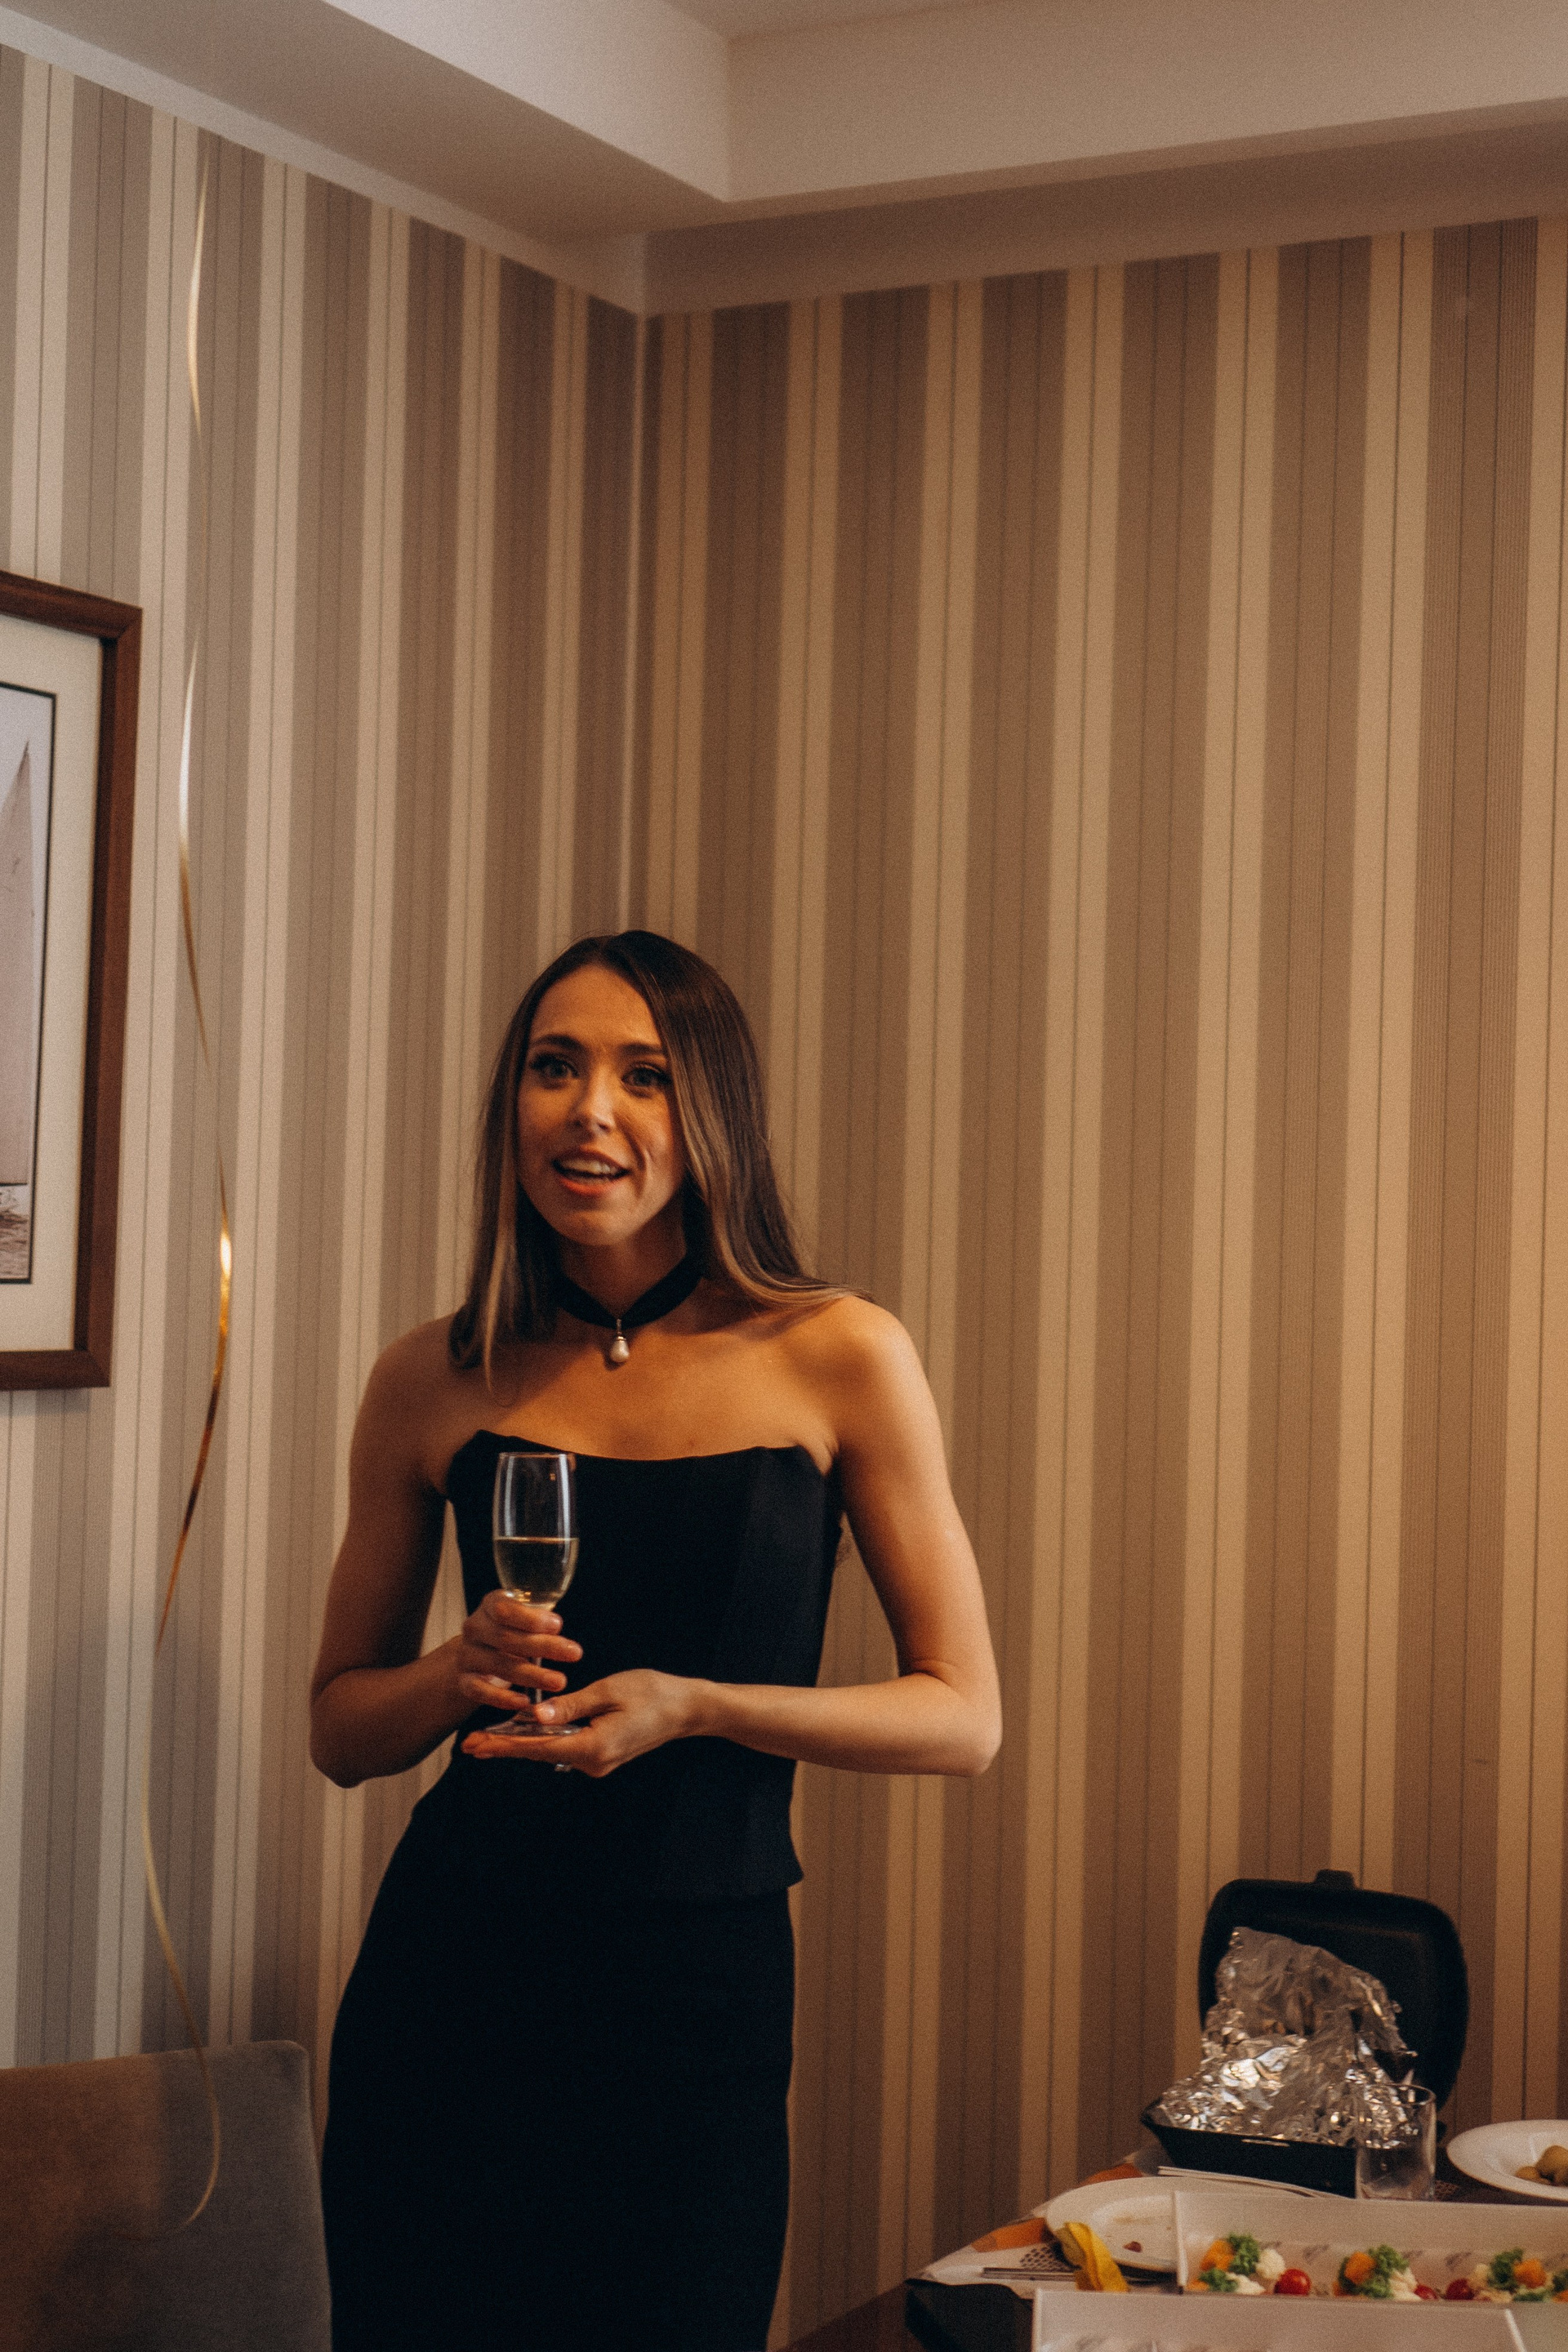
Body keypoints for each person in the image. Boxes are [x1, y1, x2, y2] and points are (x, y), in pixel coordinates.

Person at [310, 930, 1000, 2352]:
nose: (590, 1112)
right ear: (512, 1106)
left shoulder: (838, 1354)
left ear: (712, 1114)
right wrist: (452, 1674)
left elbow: (962, 1716)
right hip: (453, 1981)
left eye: (645, 1075)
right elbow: (338, 1730)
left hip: (696, 1997)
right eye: (553, 1068)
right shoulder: (433, 1374)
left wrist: (700, 1705)